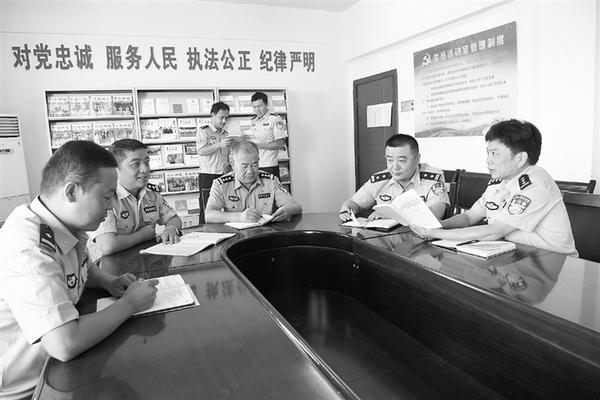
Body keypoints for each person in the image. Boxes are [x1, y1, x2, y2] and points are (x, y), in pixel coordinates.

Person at [0, 141, 158, 399]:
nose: (111, 207)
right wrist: (129, 304)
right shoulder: (29, 249)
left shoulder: (61, 222)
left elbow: (79, 266)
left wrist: (108, 281)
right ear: (72, 191)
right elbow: (64, 343)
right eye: (106, 197)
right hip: (30, 388)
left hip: (59, 373)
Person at [410, 119, 577, 256]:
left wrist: (435, 234)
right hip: (514, 254)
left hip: (552, 262)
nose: (488, 160)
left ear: (520, 158)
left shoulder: (536, 185)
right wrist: (438, 225)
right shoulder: (499, 182)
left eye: (494, 154)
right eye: (488, 153)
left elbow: (495, 231)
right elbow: (469, 217)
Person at [87, 139, 182, 261]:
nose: (145, 169)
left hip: (143, 262)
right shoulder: (106, 197)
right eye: (135, 164)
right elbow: (108, 246)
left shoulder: (151, 194)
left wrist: (171, 229)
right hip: (110, 267)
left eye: (147, 162)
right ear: (115, 169)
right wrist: (142, 235)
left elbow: (173, 218)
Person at [339, 134, 449, 222]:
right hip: (384, 238)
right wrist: (347, 209)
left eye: (402, 160)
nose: (395, 167)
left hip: (419, 237)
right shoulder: (380, 180)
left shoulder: (432, 178)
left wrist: (393, 215)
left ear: (417, 158)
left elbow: (436, 213)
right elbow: (354, 202)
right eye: (390, 160)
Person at [205, 140, 301, 223]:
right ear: (233, 164)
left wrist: (287, 210)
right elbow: (209, 215)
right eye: (244, 166)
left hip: (264, 234)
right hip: (236, 236)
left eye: (254, 164)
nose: (250, 171)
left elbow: (296, 207)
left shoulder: (271, 181)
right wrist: (239, 217)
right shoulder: (221, 184)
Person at [197, 102, 238, 222]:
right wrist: (219, 144)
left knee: (224, 208)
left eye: (226, 118)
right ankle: (204, 232)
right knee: (206, 208)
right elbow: (201, 151)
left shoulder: (226, 134)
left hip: (224, 175)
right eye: (221, 117)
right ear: (212, 115)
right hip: (208, 175)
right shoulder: (203, 131)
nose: (224, 121)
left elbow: (227, 156)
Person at [245, 91, 287, 178]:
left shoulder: (274, 119)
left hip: (269, 165)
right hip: (254, 165)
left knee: (271, 187)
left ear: (267, 104)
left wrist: (258, 145)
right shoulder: (253, 121)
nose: (257, 110)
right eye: (254, 107)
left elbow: (279, 143)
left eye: (260, 106)